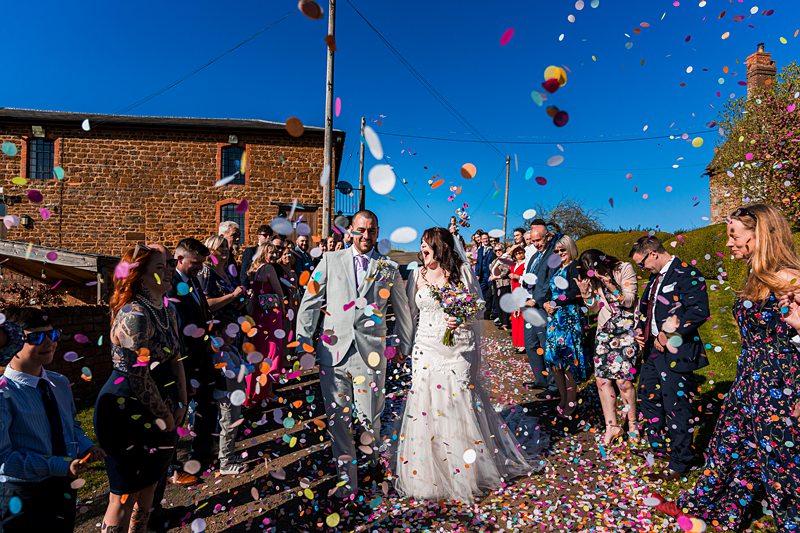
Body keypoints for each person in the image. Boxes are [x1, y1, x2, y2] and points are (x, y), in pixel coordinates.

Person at [652, 204, 800, 530]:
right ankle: (718, 513)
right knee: (726, 449)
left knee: (781, 472)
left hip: (779, 389)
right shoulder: (756, 278)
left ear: (759, 233)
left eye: (734, 236)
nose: (729, 243)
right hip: (748, 380)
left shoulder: (790, 280)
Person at [394, 227, 542, 504]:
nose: (423, 249)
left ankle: (465, 472)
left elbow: (478, 306)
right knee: (425, 404)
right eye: (422, 245)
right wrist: (406, 346)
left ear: (442, 247)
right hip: (425, 346)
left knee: (457, 401)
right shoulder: (416, 274)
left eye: (428, 245)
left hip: (457, 348)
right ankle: (428, 472)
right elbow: (409, 314)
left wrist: (459, 318)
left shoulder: (461, 272)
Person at [295, 210, 414, 498]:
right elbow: (310, 302)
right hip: (331, 352)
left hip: (371, 353)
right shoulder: (329, 260)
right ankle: (348, 483)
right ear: (350, 231)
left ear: (377, 232)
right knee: (338, 420)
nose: (365, 236)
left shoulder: (388, 268)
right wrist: (303, 344)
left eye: (371, 231)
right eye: (360, 230)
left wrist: (403, 346)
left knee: (369, 417)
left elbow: (402, 312)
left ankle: (371, 461)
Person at [95, 244, 187, 532]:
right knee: (123, 496)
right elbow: (139, 377)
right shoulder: (134, 314)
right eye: (159, 268)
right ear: (140, 277)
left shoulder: (166, 310)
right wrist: (166, 417)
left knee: (149, 490)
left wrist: (183, 400)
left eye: (168, 265)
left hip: (163, 405)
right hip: (126, 409)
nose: (169, 271)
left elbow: (176, 357)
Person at [0, 307, 104, 533]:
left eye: (53, 334)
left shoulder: (59, 382)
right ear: (12, 342)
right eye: (36, 337)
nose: (49, 342)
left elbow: (71, 425)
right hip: (23, 494)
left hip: (63, 486)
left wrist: (86, 446)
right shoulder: (3, 395)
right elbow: (4, 459)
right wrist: (59, 465)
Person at [630, 235, 709, 481]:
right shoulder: (655, 280)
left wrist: (669, 332)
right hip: (653, 351)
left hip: (677, 351)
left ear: (652, 253)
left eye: (641, 264)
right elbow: (647, 310)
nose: (641, 270)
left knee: (676, 406)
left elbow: (698, 311)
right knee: (648, 396)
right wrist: (640, 332)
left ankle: (682, 460)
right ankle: (660, 447)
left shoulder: (686, 274)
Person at [576, 249, 639, 446]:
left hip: (627, 331)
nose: (592, 274)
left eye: (594, 269)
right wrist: (585, 294)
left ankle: (633, 424)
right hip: (605, 332)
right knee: (602, 380)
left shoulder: (624, 269)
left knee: (623, 381)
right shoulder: (594, 280)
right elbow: (596, 309)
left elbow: (628, 300)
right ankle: (612, 425)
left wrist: (611, 284)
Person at [169, 238, 217, 481]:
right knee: (180, 412)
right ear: (179, 259)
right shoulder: (171, 286)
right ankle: (174, 469)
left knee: (205, 408)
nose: (199, 267)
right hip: (185, 360)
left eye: (201, 263)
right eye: (195, 263)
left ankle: (200, 457)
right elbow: (177, 329)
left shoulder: (194, 282)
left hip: (202, 356)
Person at [542, 235, 586, 417]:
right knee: (555, 362)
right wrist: (546, 303)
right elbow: (549, 292)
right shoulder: (556, 270)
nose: (559, 253)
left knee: (567, 362)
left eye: (563, 250)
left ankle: (571, 401)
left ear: (570, 249)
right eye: (557, 251)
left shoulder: (575, 267)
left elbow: (576, 293)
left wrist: (555, 303)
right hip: (554, 320)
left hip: (568, 319)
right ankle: (562, 398)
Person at [522, 220, 559, 396]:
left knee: (545, 346)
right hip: (528, 307)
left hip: (541, 307)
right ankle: (540, 379)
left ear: (547, 237)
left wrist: (536, 300)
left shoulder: (553, 255)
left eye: (538, 240)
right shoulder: (535, 256)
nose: (535, 244)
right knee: (530, 344)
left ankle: (554, 386)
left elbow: (549, 283)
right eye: (533, 241)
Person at [245, 244, 286, 404]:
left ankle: (255, 392)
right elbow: (279, 292)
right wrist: (283, 311)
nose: (275, 254)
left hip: (257, 313)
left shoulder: (254, 268)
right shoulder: (269, 268)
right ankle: (266, 392)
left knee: (259, 351)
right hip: (271, 316)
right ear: (264, 253)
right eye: (271, 252)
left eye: (276, 252)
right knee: (272, 351)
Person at [211, 327, 249, 475]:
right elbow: (230, 373)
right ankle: (225, 463)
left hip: (235, 393)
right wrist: (250, 368)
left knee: (233, 426)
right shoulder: (220, 354)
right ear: (218, 334)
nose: (234, 335)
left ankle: (230, 455)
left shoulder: (232, 348)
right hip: (226, 395)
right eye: (229, 331)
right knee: (227, 427)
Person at [198, 235, 246, 328]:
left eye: (226, 246)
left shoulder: (227, 273)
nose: (226, 249)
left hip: (233, 326)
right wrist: (232, 295)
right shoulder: (206, 271)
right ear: (211, 250)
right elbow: (206, 304)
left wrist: (243, 299)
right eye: (221, 246)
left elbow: (232, 305)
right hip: (217, 328)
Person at [508, 246, 528, 354]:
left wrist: (517, 277)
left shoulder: (526, 264)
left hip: (521, 290)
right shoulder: (514, 265)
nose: (519, 255)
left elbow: (527, 278)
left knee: (521, 317)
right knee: (515, 317)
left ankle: (523, 344)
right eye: (517, 253)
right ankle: (517, 342)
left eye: (521, 252)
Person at [489, 243, 512, 330]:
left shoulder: (507, 259)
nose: (498, 252)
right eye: (496, 250)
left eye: (499, 250)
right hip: (496, 284)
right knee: (498, 303)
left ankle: (506, 322)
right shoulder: (495, 260)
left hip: (504, 283)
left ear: (503, 250)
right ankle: (502, 321)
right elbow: (491, 269)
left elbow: (505, 271)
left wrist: (496, 276)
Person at [474, 232, 495, 320]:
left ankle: (490, 312)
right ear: (481, 240)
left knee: (490, 294)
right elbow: (478, 263)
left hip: (489, 274)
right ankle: (482, 311)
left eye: (487, 238)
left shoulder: (493, 249)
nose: (485, 240)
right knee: (481, 293)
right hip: (481, 275)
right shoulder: (480, 250)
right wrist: (477, 274)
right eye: (484, 239)